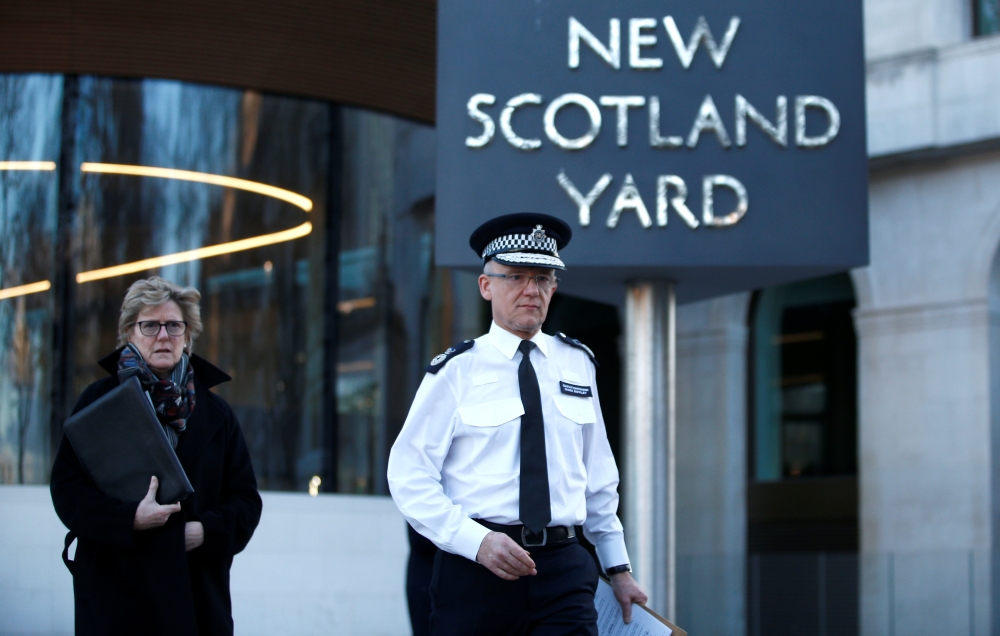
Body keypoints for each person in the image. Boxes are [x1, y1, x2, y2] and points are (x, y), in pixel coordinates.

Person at [388, 213, 647, 636]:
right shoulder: (455, 371)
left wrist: (618, 567)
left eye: (543, 278)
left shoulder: (578, 364)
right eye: (515, 277)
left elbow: (598, 479)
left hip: (565, 568)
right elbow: (407, 474)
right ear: (486, 285)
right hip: (477, 570)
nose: (531, 290)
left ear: (555, 286)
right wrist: (475, 541)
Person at [50, 276, 262, 636]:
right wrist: (129, 518)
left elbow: (245, 501)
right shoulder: (97, 401)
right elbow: (68, 492)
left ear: (187, 335)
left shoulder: (218, 414)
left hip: (195, 601)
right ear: (129, 333)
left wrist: (202, 532)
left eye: (174, 325)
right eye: (149, 325)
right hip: (114, 598)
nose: (163, 335)